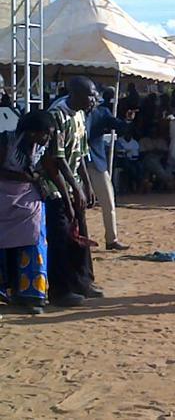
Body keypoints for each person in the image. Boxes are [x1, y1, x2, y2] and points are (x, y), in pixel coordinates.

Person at [42, 76, 102, 306]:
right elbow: (57, 159)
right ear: (74, 93)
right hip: (56, 186)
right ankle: (60, 290)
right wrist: (76, 189)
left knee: (80, 235)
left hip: (74, 183)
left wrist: (86, 184)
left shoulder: (80, 114)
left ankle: (83, 282)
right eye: (90, 94)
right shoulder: (57, 114)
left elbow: (81, 152)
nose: (93, 99)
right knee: (61, 237)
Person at [0, 111, 55, 314]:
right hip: (4, 195)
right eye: (45, 134)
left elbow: (46, 168)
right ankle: (7, 289)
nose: (47, 139)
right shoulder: (5, 141)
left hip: (28, 196)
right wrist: (20, 176)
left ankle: (32, 295)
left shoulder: (42, 146)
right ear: (32, 133)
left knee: (34, 239)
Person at [86, 87, 132, 251]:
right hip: (76, 163)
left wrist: (127, 120)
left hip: (96, 162)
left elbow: (119, 127)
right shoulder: (72, 113)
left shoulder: (102, 112)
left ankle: (111, 239)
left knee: (108, 200)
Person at [139, 126, 175, 191]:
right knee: (155, 164)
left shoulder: (161, 141)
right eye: (152, 131)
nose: (154, 133)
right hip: (149, 159)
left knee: (170, 161)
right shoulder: (143, 140)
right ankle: (168, 180)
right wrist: (153, 151)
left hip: (161, 158)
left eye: (155, 131)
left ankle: (169, 180)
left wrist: (159, 153)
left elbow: (166, 152)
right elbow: (142, 154)